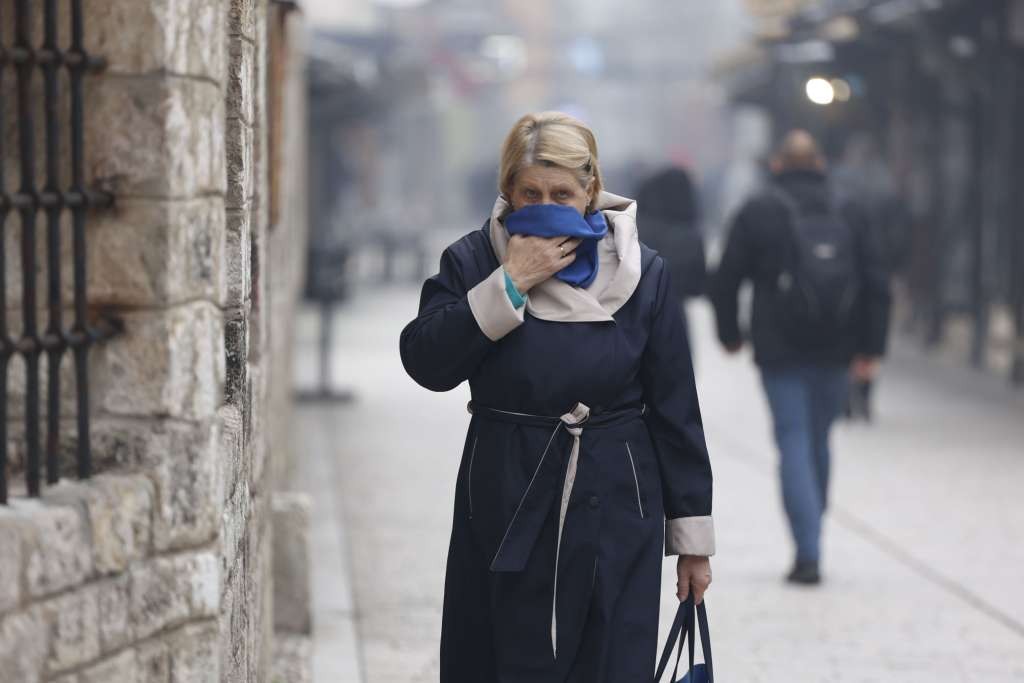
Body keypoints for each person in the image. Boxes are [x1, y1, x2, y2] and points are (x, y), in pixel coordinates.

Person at [400, 111, 715, 681]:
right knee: (504, 656)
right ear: (509, 192)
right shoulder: (474, 260)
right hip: (506, 489)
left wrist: (693, 542)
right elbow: (426, 362)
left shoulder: (643, 272)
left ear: (590, 191)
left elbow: (676, 410)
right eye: (531, 194)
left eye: (562, 194)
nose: (546, 206)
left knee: (609, 657)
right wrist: (510, 282)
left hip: (618, 497)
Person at [709, 130, 890, 585]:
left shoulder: (758, 210)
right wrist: (871, 349)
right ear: (820, 163)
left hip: (779, 348)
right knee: (820, 438)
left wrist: (730, 335)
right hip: (837, 346)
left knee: (792, 440)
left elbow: (726, 277)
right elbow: (876, 281)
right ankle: (813, 527)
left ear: (777, 164)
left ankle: (807, 550)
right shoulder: (850, 209)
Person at [635, 166, 707, 306]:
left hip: (635, 309)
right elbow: (697, 286)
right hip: (674, 310)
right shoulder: (690, 237)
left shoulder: (636, 229)